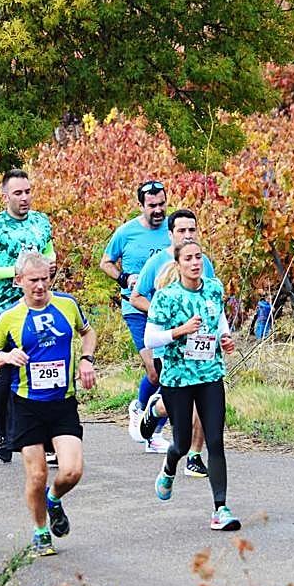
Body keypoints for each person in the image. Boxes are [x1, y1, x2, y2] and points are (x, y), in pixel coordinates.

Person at [0, 251, 96, 557]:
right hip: (27, 405)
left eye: (45, 278)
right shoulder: (9, 319)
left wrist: (86, 359)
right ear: (19, 281)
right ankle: (41, 530)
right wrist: (5, 356)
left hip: (62, 403)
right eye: (33, 280)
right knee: (37, 474)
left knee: (72, 471)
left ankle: (53, 500)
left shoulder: (67, 305)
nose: (41, 286)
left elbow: (88, 332)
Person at [140, 240, 240, 531]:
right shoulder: (167, 297)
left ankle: (220, 508)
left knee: (215, 441)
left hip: (210, 374)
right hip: (178, 379)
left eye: (199, 257)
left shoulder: (213, 288)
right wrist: (180, 331)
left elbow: (218, 319)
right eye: (189, 259)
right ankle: (169, 468)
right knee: (182, 443)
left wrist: (226, 337)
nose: (195, 263)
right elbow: (150, 339)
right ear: (178, 263)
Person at [0, 169, 55, 462]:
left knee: (43, 368)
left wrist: (47, 268)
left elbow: (49, 254)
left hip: (39, 306)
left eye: (28, 191)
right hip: (3, 309)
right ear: (5, 196)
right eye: (18, 193)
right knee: (7, 369)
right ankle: (2, 429)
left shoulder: (41, 222)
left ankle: (46, 436)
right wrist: (15, 272)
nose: (25, 197)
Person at [129, 208, 217, 474]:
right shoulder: (157, 262)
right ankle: (155, 409)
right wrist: (166, 317)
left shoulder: (203, 262)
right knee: (177, 402)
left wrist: (220, 332)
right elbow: (136, 297)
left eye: (192, 230)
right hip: (170, 344)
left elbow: (213, 300)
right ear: (170, 234)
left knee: (202, 395)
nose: (187, 235)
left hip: (200, 341)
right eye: (182, 230)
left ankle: (194, 455)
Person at [99, 180, 169, 455]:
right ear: (141, 206)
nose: (158, 210)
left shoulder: (172, 231)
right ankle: (140, 409)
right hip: (136, 308)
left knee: (167, 372)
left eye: (162, 204)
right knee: (155, 369)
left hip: (167, 311)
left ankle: (155, 430)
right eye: (152, 206)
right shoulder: (126, 232)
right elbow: (105, 262)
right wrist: (124, 277)